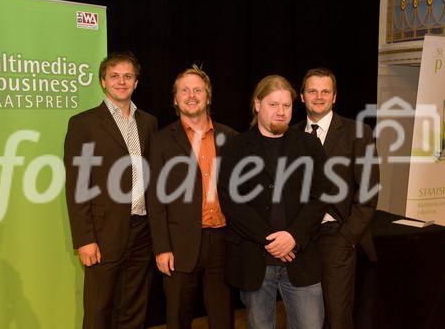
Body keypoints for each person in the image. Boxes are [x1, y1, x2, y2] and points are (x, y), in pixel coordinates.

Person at [218, 75, 329, 329]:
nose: (281, 112)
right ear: (257, 105)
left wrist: (293, 236)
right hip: (256, 260)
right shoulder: (236, 147)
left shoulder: (309, 145)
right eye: (273, 105)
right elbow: (232, 202)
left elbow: (321, 195)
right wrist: (272, 240)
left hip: (301, 257)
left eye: (286, 106)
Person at [64, 51, 158, 329]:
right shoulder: (83, 124)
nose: (121, 81)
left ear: (136, 82)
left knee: (133, 307)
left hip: (142, 231)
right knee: (99, 308)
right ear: (103, 82)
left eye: (127, 76)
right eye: (114, 76)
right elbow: (78, 185)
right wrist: (85, 239)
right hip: (103, 234)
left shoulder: (149, 123)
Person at [147, 65, 237, 329]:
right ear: (175, 99)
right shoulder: (161, 140)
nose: (191, 95)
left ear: (208, 97)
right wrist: (162, 247)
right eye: (184, 90)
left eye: (198, 90)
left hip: (222, 241)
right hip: (179, 244)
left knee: (222, 318)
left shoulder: (231, 138)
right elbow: (155, 199)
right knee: (177, 318)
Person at [295, 67, 379, 329]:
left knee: (337, 317)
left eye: (325, 91)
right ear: (301, 97)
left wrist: (347, 238)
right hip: (300, 239)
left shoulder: (358, 133)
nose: (318, 96)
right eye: (312, 91)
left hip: (337, 235)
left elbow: (369, 191)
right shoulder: (291, 135)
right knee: (304, 317)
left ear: (334, 97)